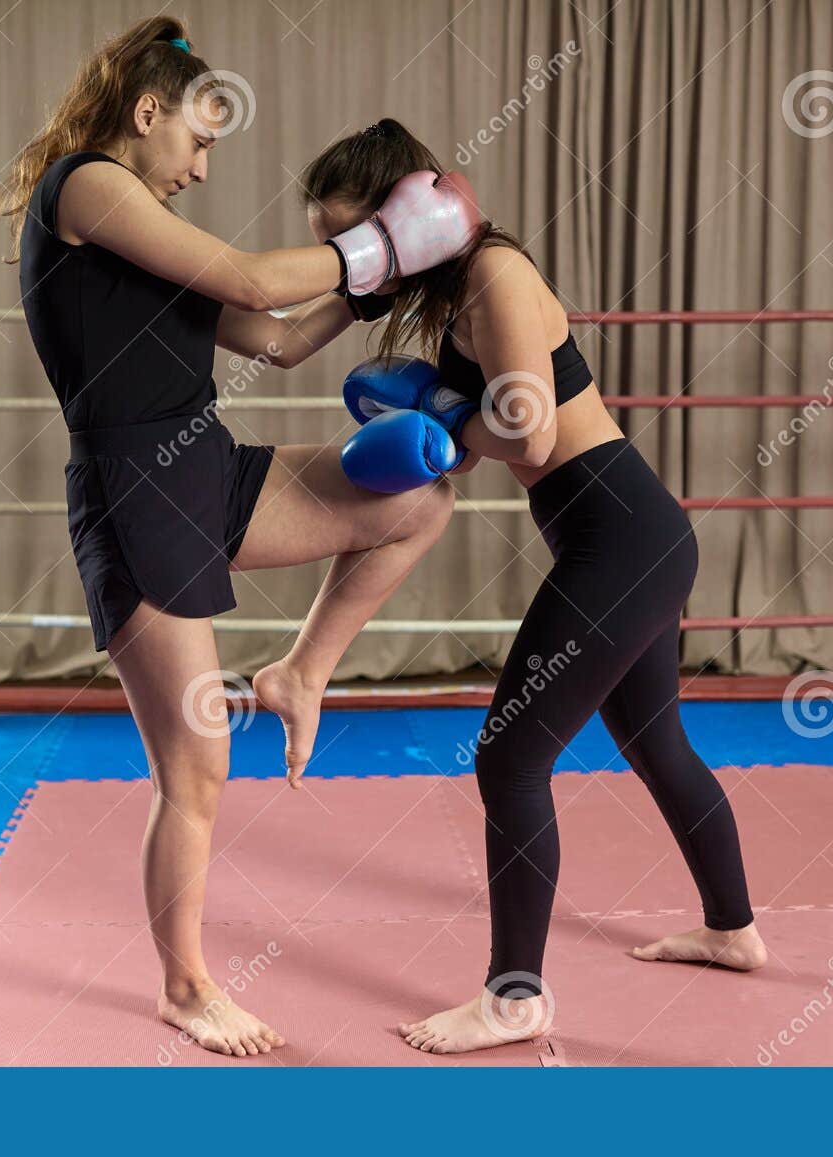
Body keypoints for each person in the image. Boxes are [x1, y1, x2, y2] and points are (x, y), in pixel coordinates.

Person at [0, 19, 477, 1058]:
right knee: (197, 764)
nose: (202, 168)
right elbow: (257, 281)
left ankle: (302, 672)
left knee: (416, 501)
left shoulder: (143, 229)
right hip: (135, 487)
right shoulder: (86, 188)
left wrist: (376, 285)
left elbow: (278, 336)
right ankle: (185, 986)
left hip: (206, 464)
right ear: (147, 113)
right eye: (199, 141)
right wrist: (383, 243)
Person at [300, 120, 769, 1055]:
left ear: (410, 215)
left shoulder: (497, 275)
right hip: (620, 538)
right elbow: (486, 442)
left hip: (621, 539)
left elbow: (533, 433)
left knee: (508, 759)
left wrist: (445, 412)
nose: (355, 264)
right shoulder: (455, 296)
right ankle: (734, 930)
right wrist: (439, 418)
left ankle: (514, 999)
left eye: (357, 240)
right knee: (657, 743)